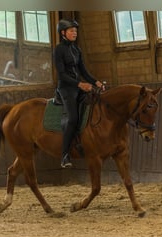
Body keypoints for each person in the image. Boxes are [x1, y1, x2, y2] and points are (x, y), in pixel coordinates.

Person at [53, 19, 105, 168]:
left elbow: (83, 71)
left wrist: (96, 82)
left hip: (78, 88)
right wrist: (79, 84)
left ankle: (82, 141)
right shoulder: (58, 50)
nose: (74, 33)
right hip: (66, 89)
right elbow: (61, 75)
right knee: (73, 118)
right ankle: (64, 155)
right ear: (63, 33)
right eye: (71, 31)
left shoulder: (77, 50)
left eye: (75, 31)